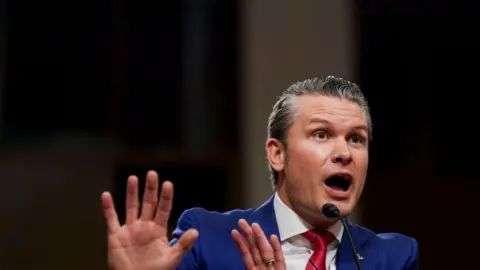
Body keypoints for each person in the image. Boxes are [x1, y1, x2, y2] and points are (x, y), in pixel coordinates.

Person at [101, 76, 419, 270]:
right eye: (321, 134)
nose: (344, 153)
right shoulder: (208, 240)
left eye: (356, 139)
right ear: (277, 154)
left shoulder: (392, 257)